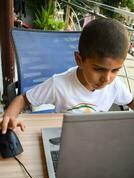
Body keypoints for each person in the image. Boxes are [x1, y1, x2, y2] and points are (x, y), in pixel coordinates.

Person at [1, 18, 134, 134]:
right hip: (63, 136)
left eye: (115, 70)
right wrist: (9, 116)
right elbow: (23, 99)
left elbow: (130, 101)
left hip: (96, 137)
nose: (107, 78)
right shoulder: (58, 84)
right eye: (98, 69)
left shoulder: (115, 85)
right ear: (79, 60)